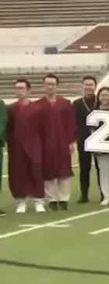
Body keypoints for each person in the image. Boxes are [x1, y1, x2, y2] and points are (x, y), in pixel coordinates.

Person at [39, 73, 77, 211]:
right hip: (45, 143)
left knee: (64, 171)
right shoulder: (38, 105)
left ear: (57, 86)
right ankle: (52, 199)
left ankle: (64, 198)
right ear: (43, 86)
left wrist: (72, 140)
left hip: (63, 141)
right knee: (48, 172)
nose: (50, 87)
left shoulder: (65, 103)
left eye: (53, 84)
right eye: (47, 84)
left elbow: (71, 123)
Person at [7, 79, 45, 213]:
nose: (19, 91)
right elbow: (9, 128)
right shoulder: (11, 109)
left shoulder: (37, 109)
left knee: (36, 172)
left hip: (34, 145)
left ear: (28, 90)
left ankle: (38, 201)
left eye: (22, 88)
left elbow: (42, 129)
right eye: (17, 88)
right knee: (18, 173)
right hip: (16, 147)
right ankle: (20, 201)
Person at [88, 87, 109, 206]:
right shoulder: (94, 112)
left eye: (107, 95)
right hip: (100, 146)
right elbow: (92, 130)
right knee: (103, 172)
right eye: (102, 95)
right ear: (98, 97)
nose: (104, 98)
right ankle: (106, 195)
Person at [73, 75, 100, 203]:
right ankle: (84, 194)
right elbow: (74, 122)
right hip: (83, 139)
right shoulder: (77, 103)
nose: (88, 87)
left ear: (95, 86)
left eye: (91, 84)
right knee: (84, 168)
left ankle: (103, 192)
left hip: (100, 139)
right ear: (83, 86)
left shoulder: (100, 101)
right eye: (86, 84)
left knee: (101, 167)